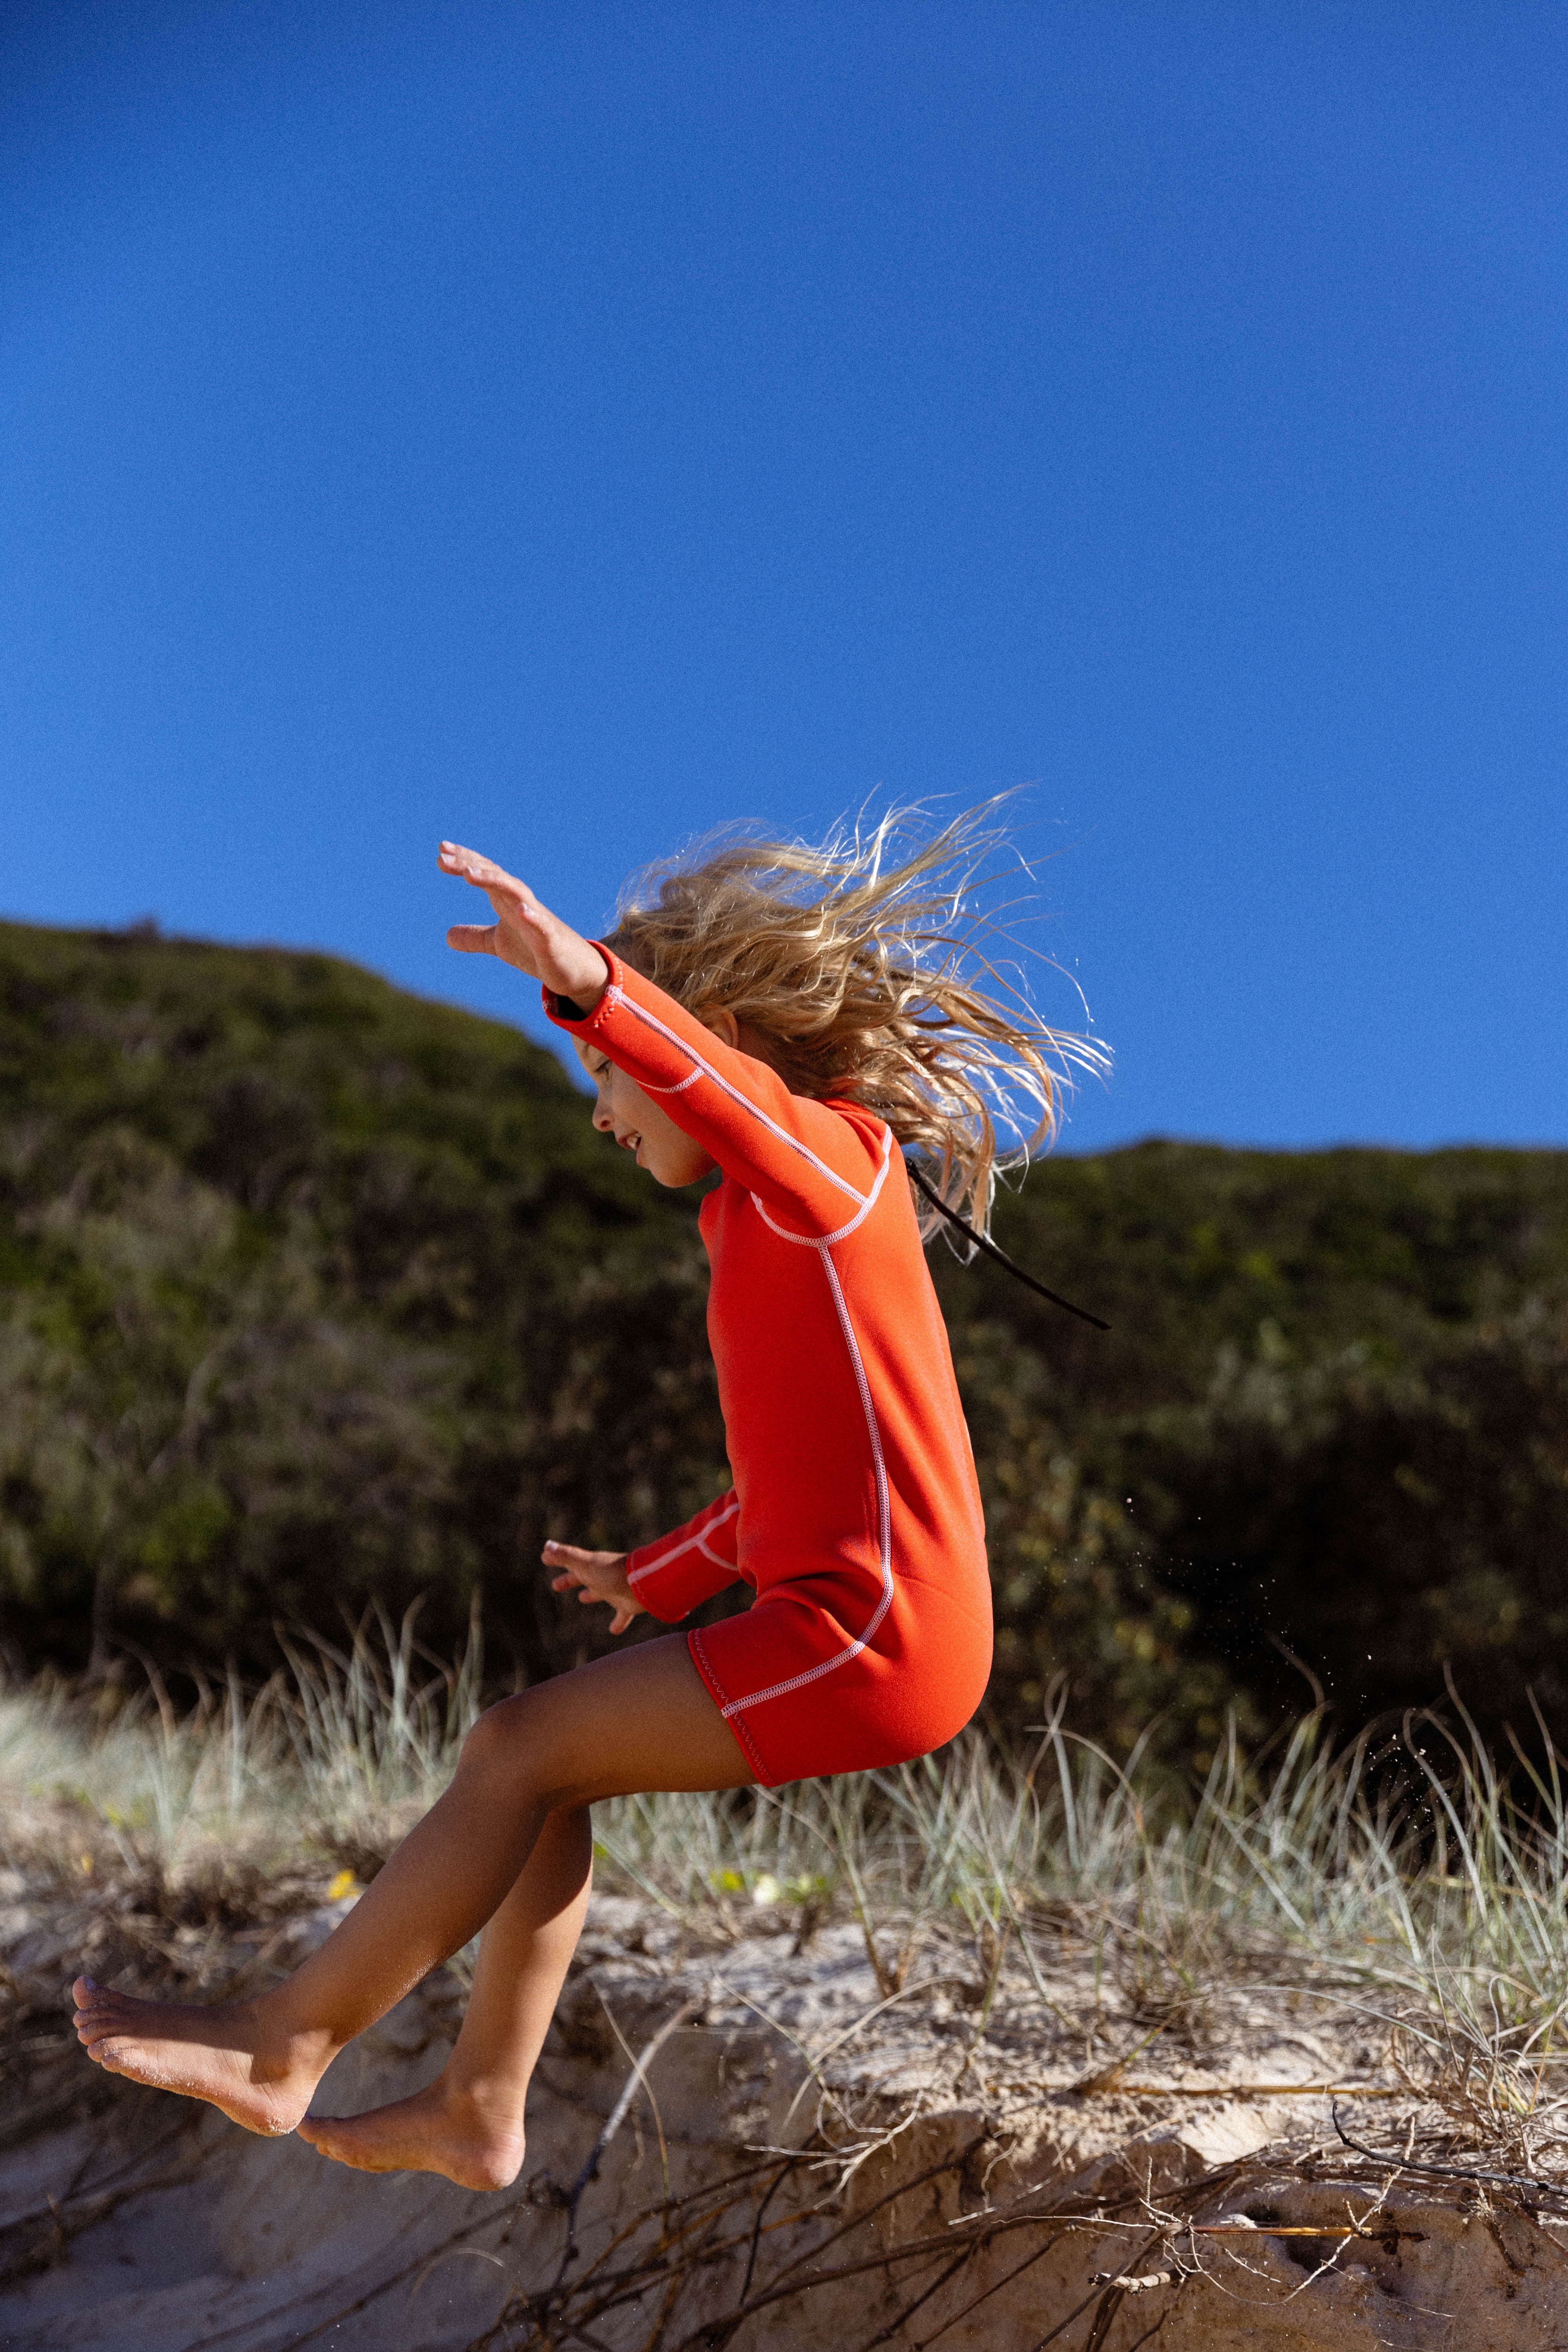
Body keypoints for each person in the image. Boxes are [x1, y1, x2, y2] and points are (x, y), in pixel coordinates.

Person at [71, 810, 1086, 2190]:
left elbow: (721, 1091)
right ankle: (477, 2109)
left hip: (879, 1639)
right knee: (542, 1780)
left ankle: (282, 2047)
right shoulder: (754, 1218)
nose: (601, 1108)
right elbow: (797, 1480)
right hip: (852, 1615)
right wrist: (658, 1574)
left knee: (511, 1748)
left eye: (604, 1073)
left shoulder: (836, 1172)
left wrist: (595, 986)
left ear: (703, 1037)